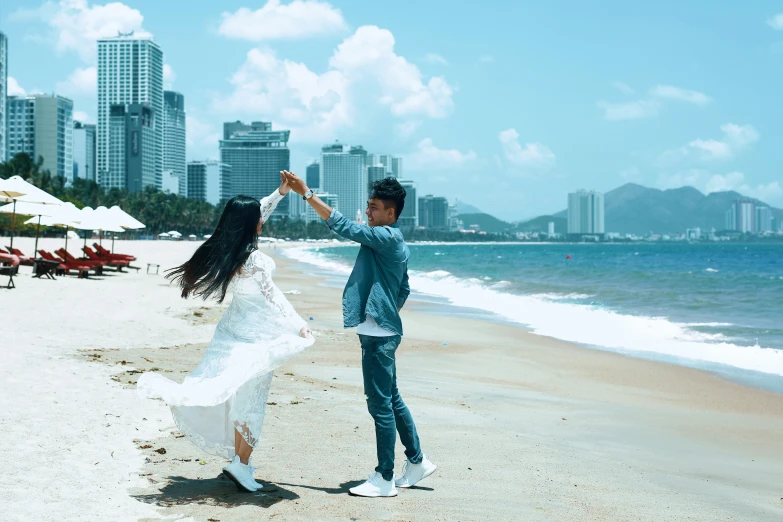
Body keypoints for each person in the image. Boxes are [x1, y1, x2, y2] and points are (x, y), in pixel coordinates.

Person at [137, 174, 314, 493]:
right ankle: (241, 466)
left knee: (234, 393)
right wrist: (298, 324)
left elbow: (255, 213)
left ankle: (240, 461)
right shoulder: (255, 259)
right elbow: (274, 297)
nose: (263, 218)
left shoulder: (230, 251)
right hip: (259, 337)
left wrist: (281, 192)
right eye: (259, 218)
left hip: (233, 333)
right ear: (251, 225)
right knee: (252, 401)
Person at [282, 171, 437, 498]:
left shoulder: (387, 237)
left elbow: (343, 226)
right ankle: (417, 461)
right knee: (391, 399)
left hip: (380, 335)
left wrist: (306, 193)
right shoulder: (393, 241)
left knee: (380, 404)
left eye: (375, 207)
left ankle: (384, 478)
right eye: (368, 206)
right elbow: (404, 288)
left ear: (391, 213)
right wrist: (386, 310)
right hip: (382, 330)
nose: (368, 212)